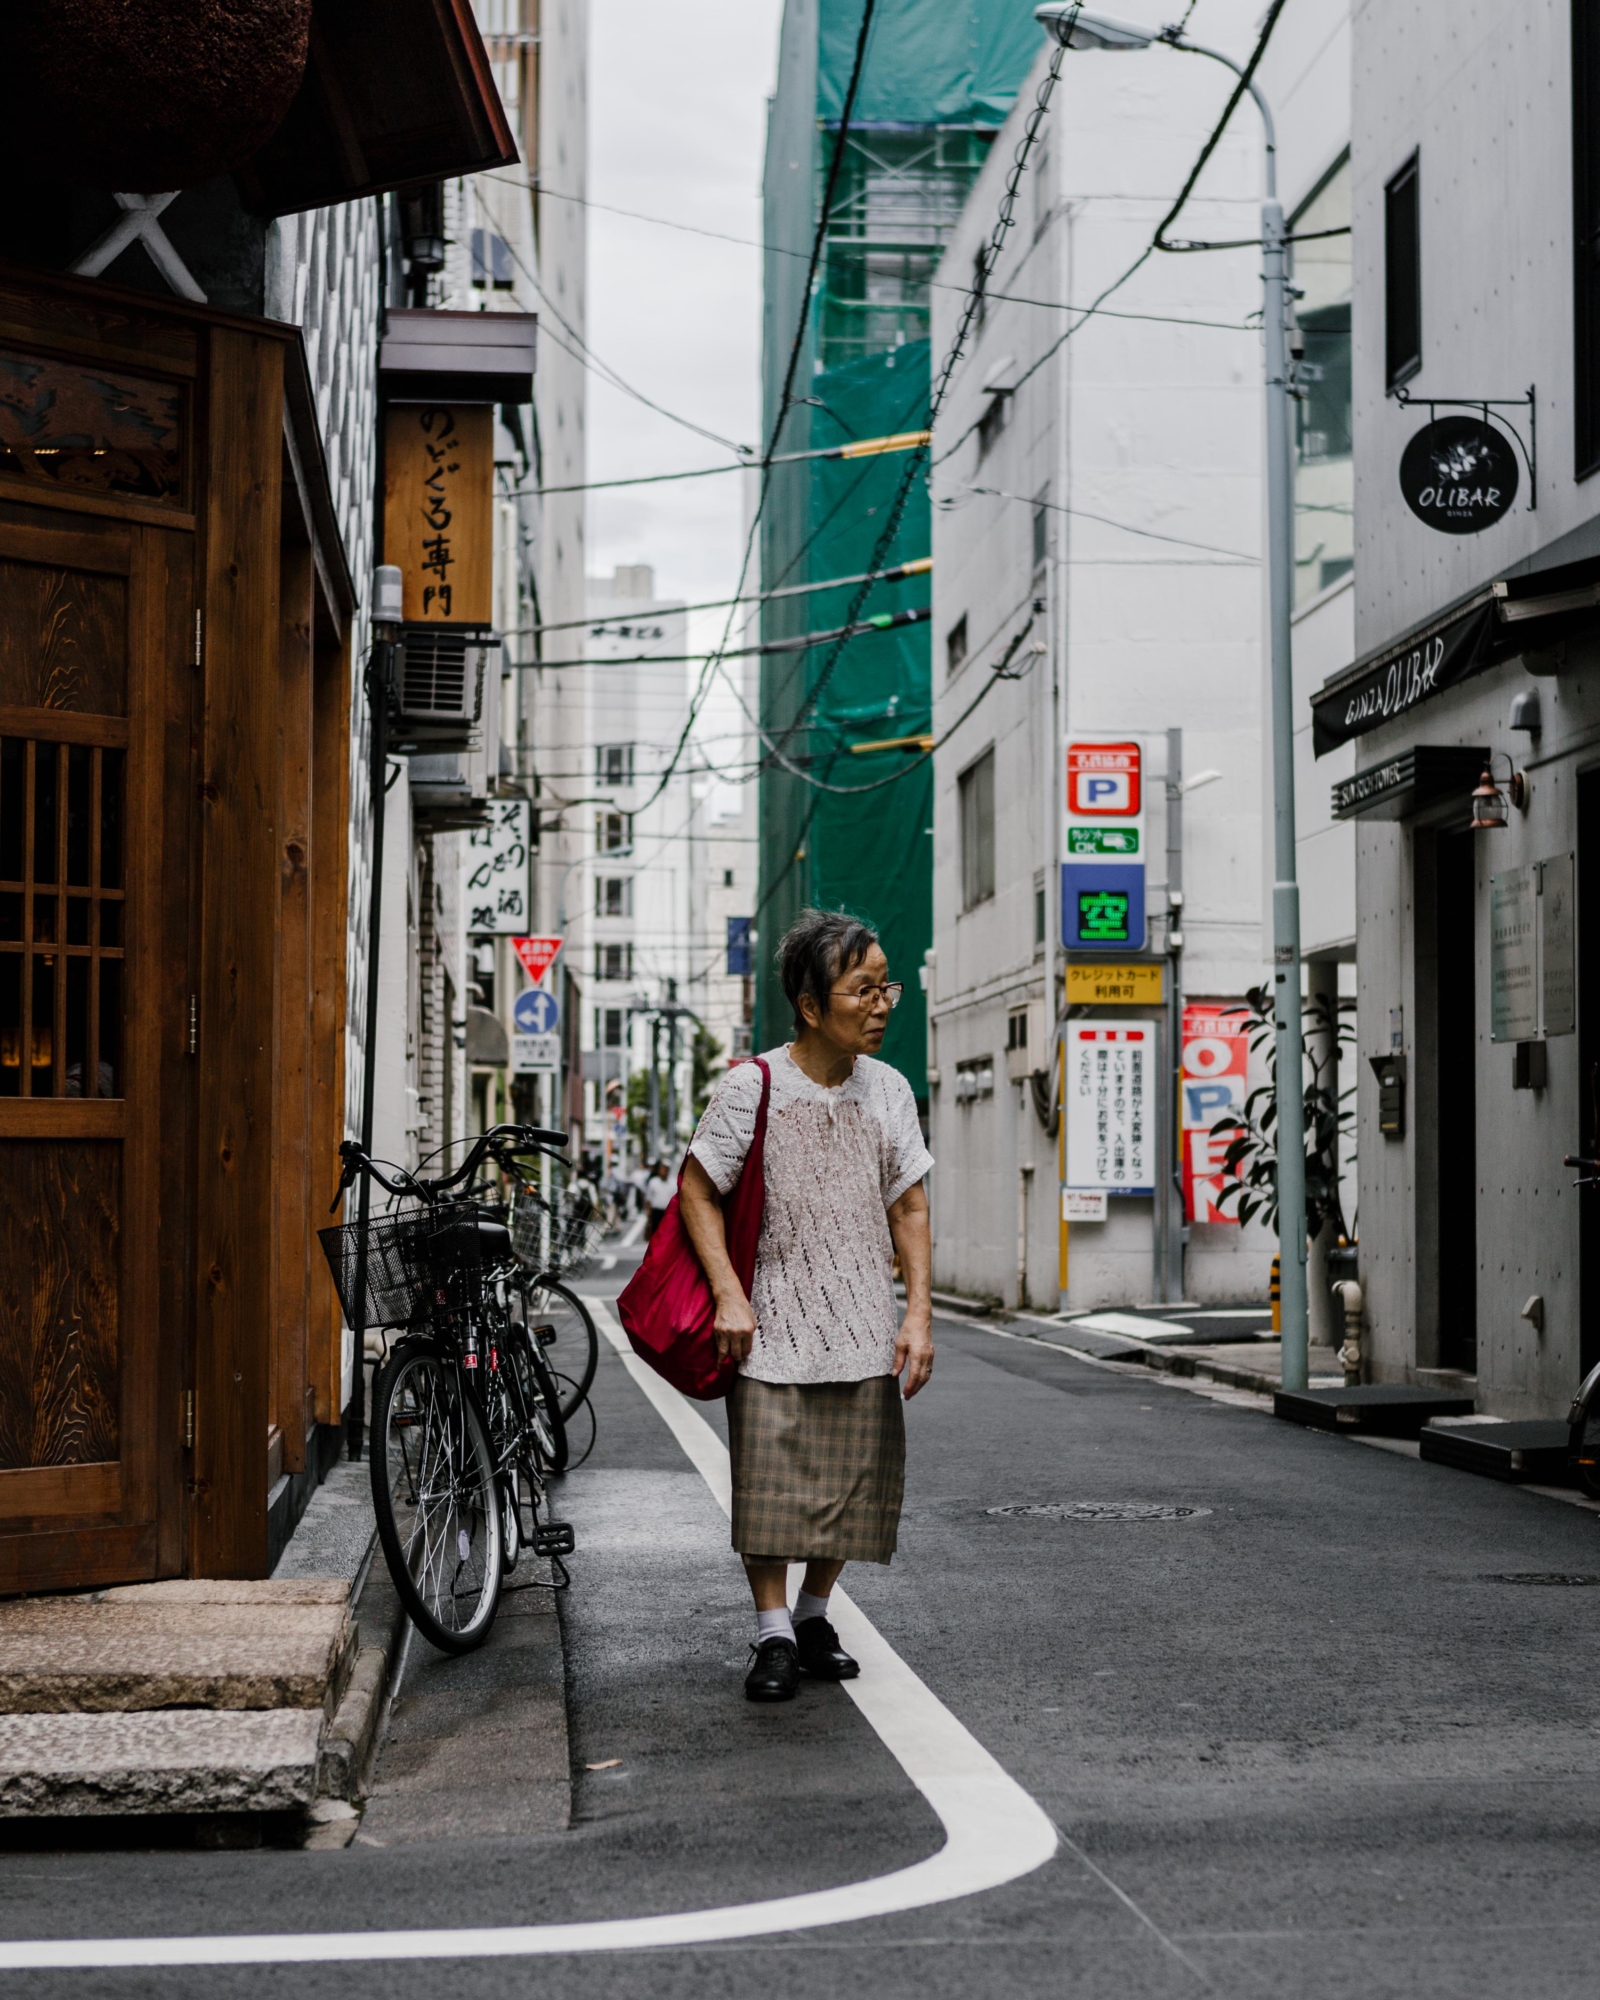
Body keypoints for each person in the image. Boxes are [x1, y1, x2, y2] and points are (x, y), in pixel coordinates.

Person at [680, 908, 933, 1703]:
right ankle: (772, 1633)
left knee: (854, 1483)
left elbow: (911, 1208)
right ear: (811, 1004)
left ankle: (816, 1616)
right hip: (768, 1327)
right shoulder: (751, 1086)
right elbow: (697, 1189)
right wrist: (728, 1293)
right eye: (864, 989)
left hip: (862, 1324)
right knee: (770, 1489)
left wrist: (918, 1313)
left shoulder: (889, 1090)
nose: (884, 1002)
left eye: (886, 985)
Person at [643, 1159, 674, 1238]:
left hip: (669, 1212)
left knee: (668, 1233)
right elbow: (648, 1199)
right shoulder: (653, 1182)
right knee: (656, 1233)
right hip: (656, 1212)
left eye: (665, 1169)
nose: (663, 1171)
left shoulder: (673, 1183)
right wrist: (648, 1213)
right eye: (661, 1169)